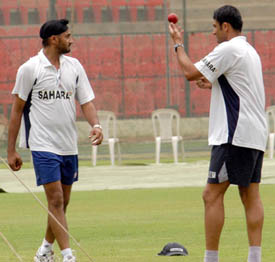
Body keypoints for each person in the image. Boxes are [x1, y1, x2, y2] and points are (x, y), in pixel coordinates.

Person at [169, 5, 267, 262]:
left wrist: (178, 44)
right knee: (250, 194)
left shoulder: (229, 48)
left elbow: (190, 72)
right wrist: (212, 83)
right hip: (256, 134)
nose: (213, 33)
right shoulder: (250, 51)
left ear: (225, 26)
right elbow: (236, 86)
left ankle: (210, 259)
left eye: (214, 27)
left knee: (211, 194)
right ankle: (254, 258)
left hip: (234, 135)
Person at [7, 19, 103, 262]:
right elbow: (17, 110)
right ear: (53, 39)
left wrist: (96, 125)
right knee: (56, 200)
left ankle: (44, 250)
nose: (72, 40)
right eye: (68, 36)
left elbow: (86, 101)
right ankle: (68, 255)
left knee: (62, 203)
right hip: (42, 145)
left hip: (68, 145)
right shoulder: (30, 69)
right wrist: (11, 150)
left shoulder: (75, 66)